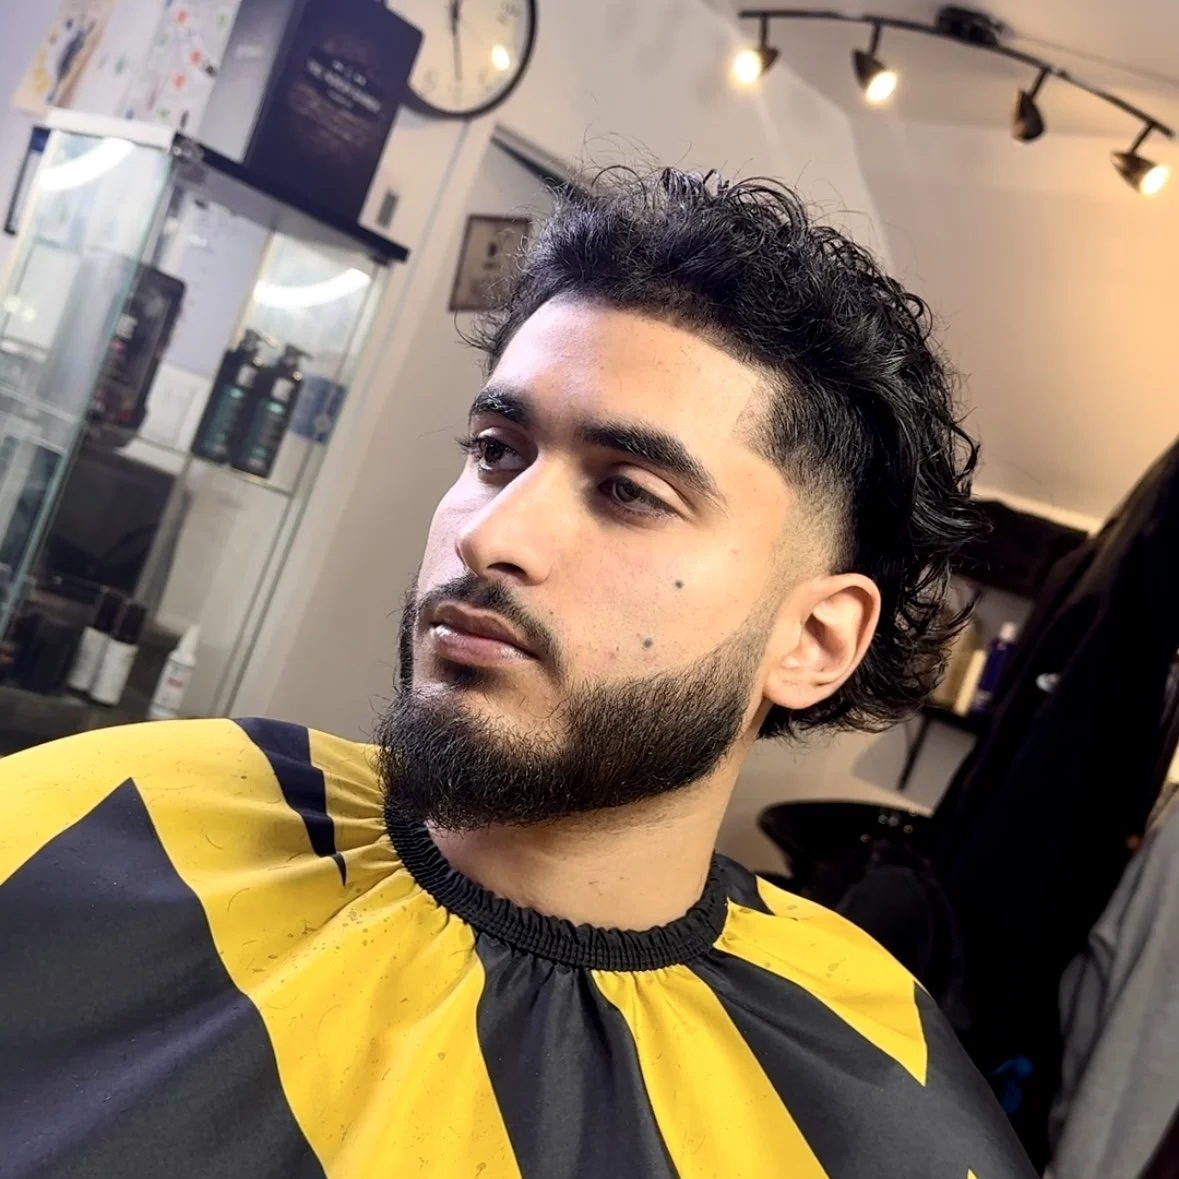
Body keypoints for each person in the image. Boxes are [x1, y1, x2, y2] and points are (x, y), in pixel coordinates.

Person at [0, 169, 1034, 1177]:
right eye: (498, 450)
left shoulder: (871, 1104)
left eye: (629, 491)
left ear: (813, 641)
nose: (493, 536)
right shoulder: (110, 819)